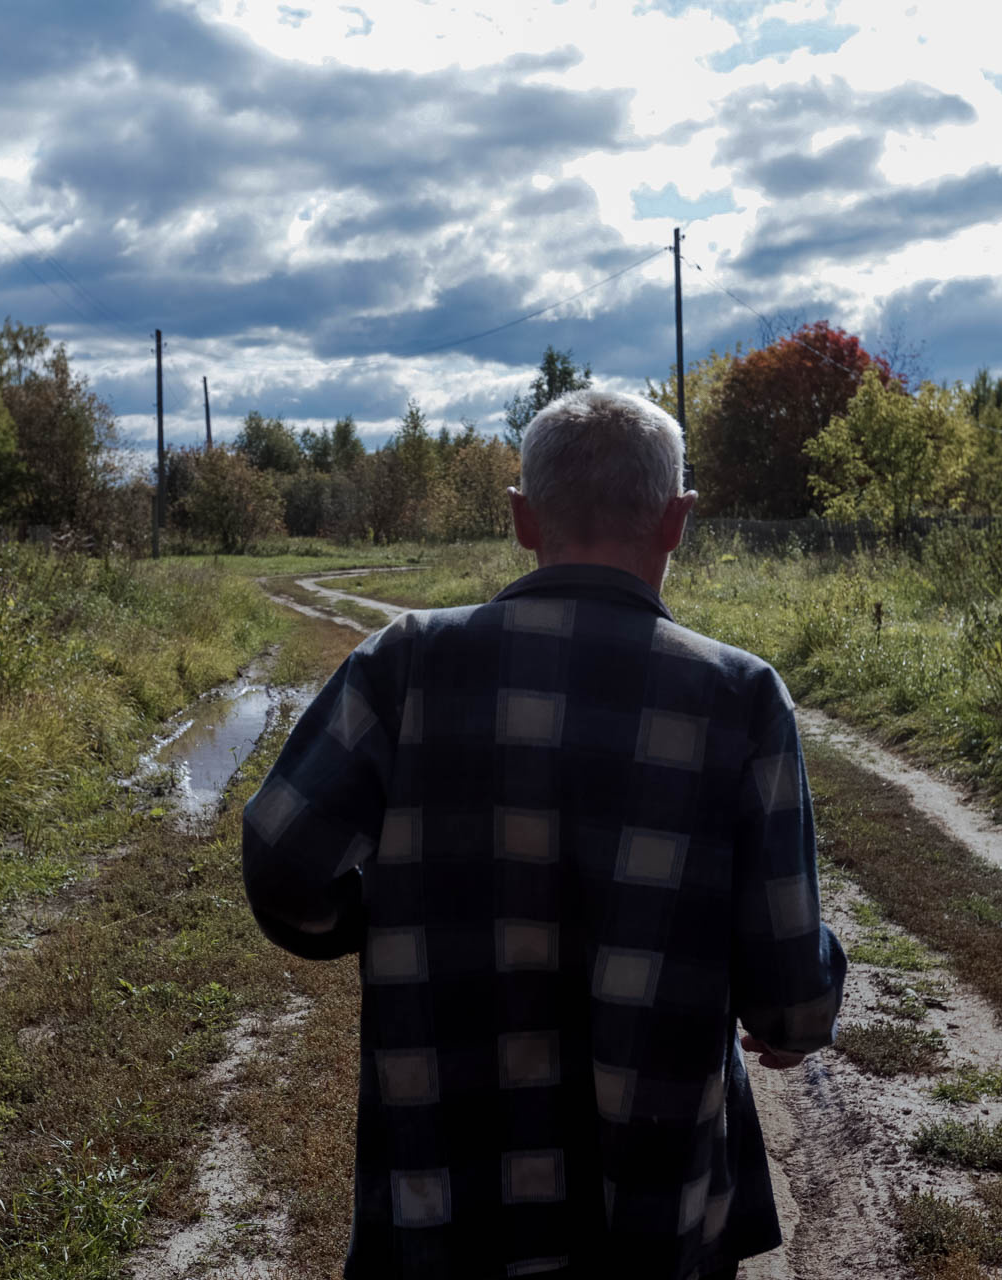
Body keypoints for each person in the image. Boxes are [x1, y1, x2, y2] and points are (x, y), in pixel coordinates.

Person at [241, 389, 846, 1279]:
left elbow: (284, 866)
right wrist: (797, 1012)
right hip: (651, 1208)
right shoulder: (741, 697)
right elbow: (788, 985)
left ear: (523, 518)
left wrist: (383, 920)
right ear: (677, 522)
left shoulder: (402, 664)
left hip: (444, 1195)